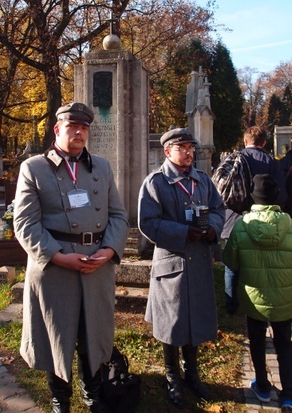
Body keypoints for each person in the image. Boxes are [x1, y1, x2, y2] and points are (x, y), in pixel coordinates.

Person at [13, 102, 129, 413]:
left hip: (96, 267)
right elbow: (24, 224)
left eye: (84, 127)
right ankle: (59, 401)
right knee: (57, 334)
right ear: (57, 129)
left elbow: (118, 215)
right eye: (72, 126)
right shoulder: (34, 168)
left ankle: (92, 395)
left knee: (92, 334)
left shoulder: (102, 167)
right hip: (54, 268)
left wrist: (108, 251)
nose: (78, 132)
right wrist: (60, 257)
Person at [138, 127, 225, 409]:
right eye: (182, 147)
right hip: (172, 263)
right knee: (171, 323)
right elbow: (148, 223)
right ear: (167, 151)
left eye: (191, 148)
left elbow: (218, 209)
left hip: (198, 262)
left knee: (194, 319)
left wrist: (212, 229)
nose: (188, 152)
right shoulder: (155, 182)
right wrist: (184, 233)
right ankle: (172, 376)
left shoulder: (202, 180)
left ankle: (192, 375)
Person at [223, 174, 292, 413]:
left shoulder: (243, 225)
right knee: (284, 344)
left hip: (254, 297)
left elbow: (230, 260)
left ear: (254, 197)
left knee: (257, 341)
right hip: (285, 297)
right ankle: (288, 394)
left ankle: (262, 386)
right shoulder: (290, 223)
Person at [221, 126, 276, 314]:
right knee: (258, 264)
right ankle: (257, 304)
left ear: (245, 141)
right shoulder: (270, 161)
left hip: (233, 219)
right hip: (261, 220)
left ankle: (231, 306)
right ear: (264, 142)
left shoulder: (235, 159)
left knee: (231, 266)